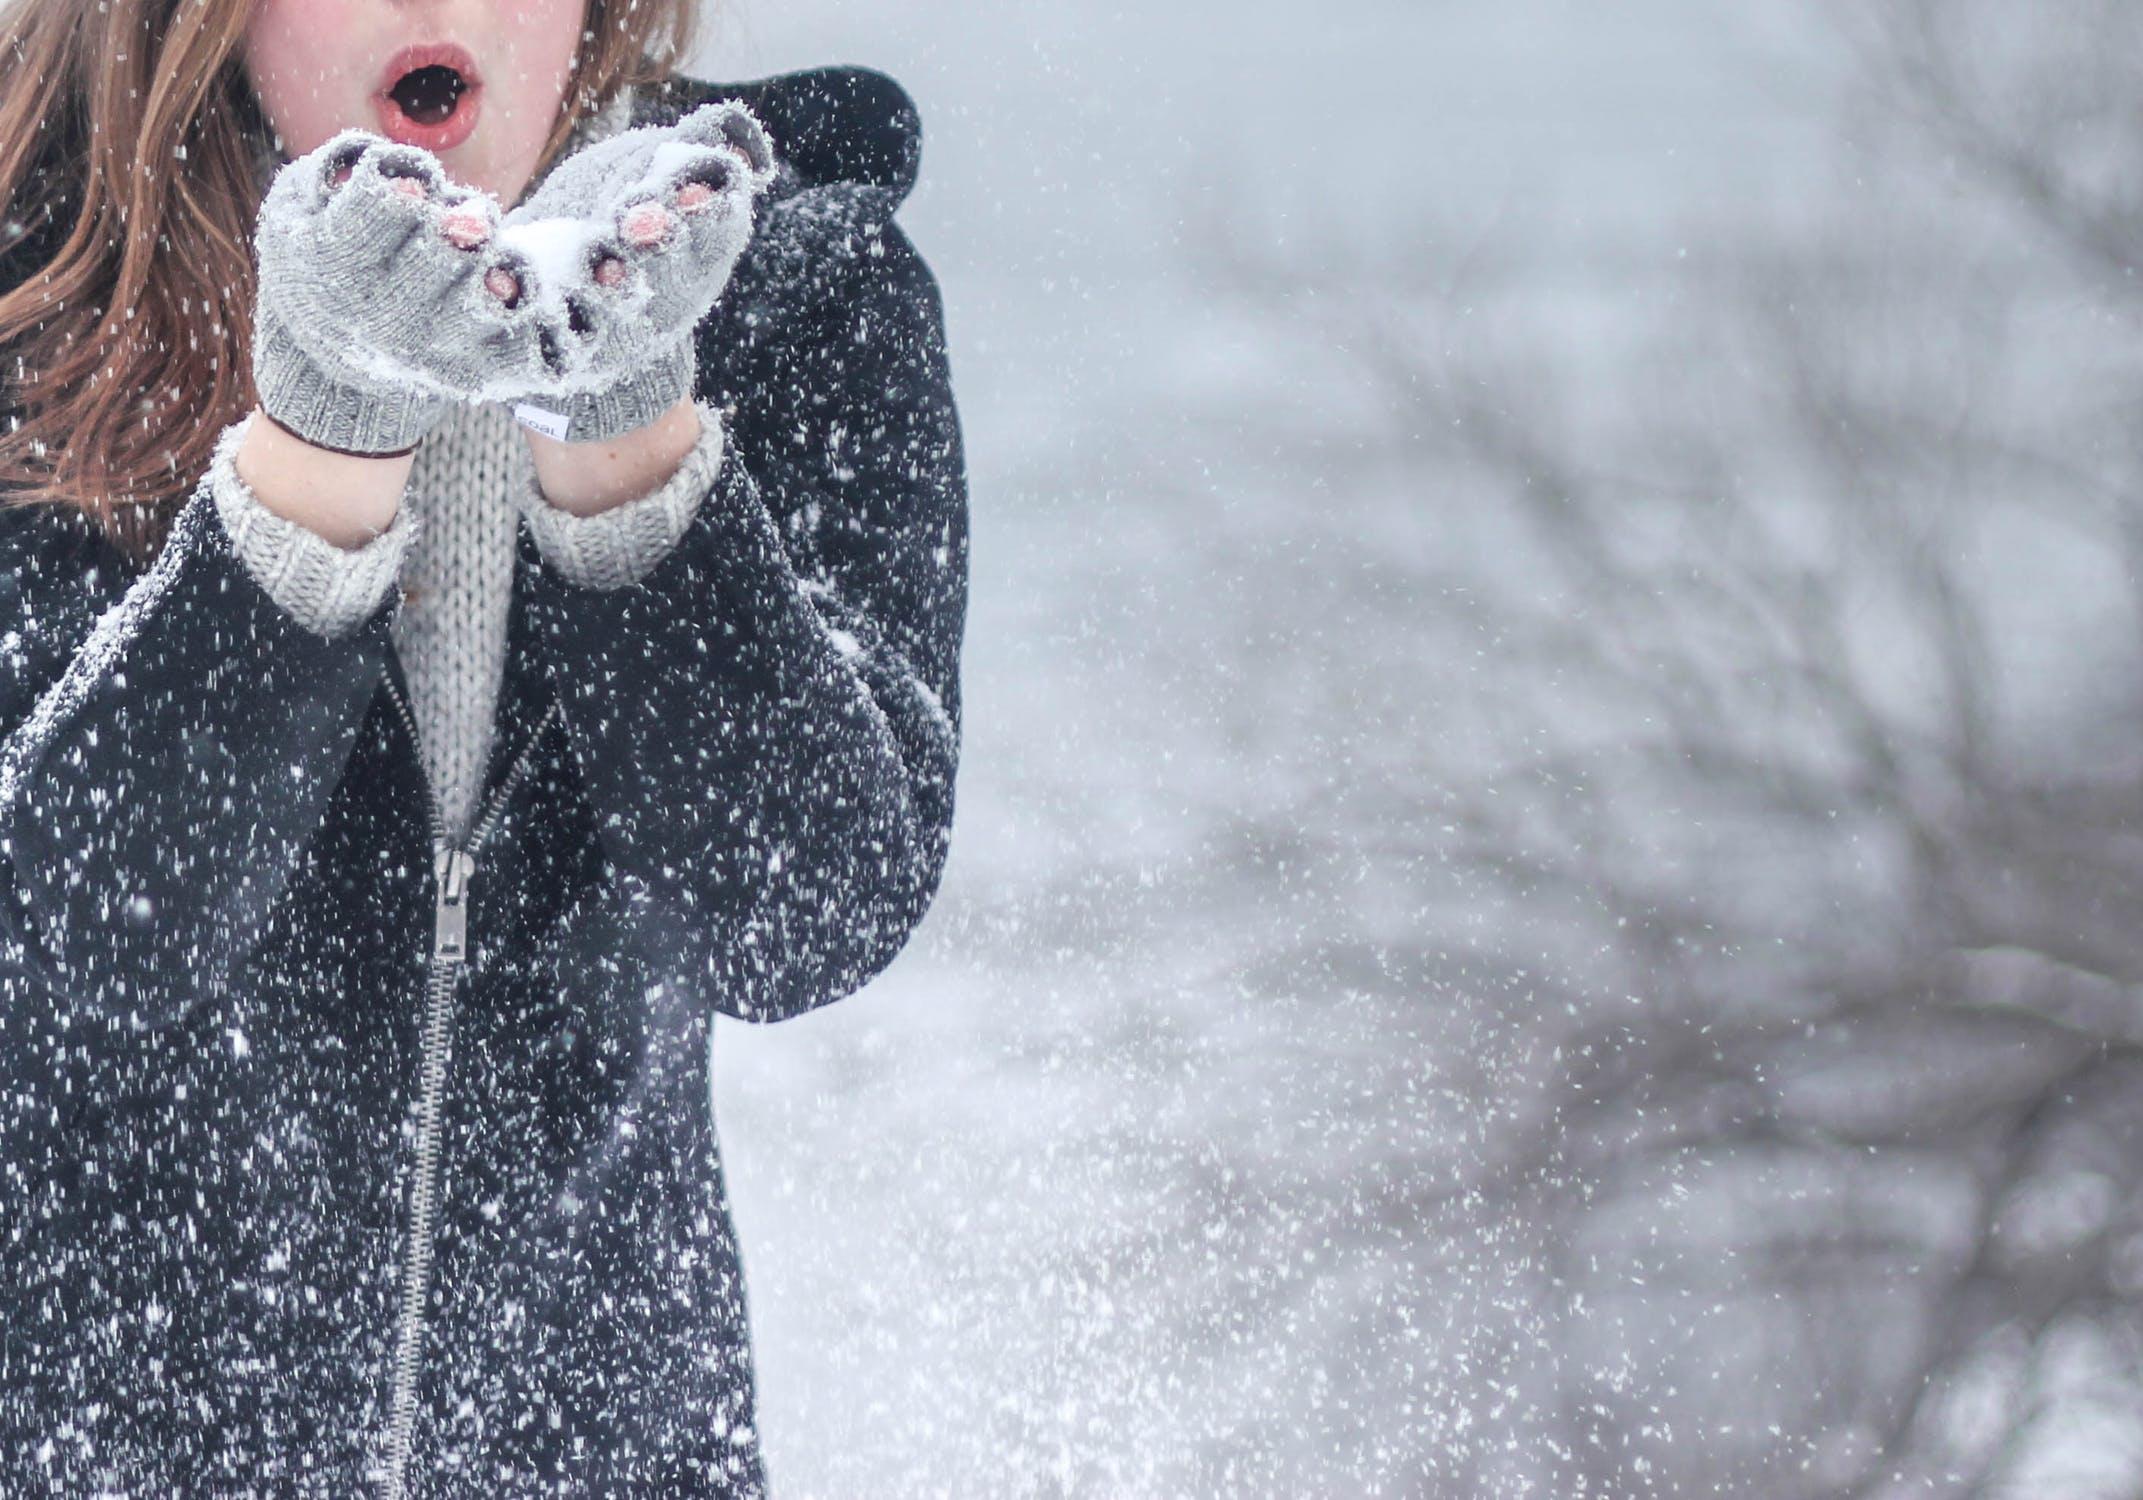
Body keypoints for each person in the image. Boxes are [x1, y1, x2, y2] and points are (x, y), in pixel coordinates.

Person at [0, 0, 968, 1493]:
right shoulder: (37, 300)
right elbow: (80, 931)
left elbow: (806, 914)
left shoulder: (794, 294)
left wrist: (627, 432)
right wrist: (323, 439)